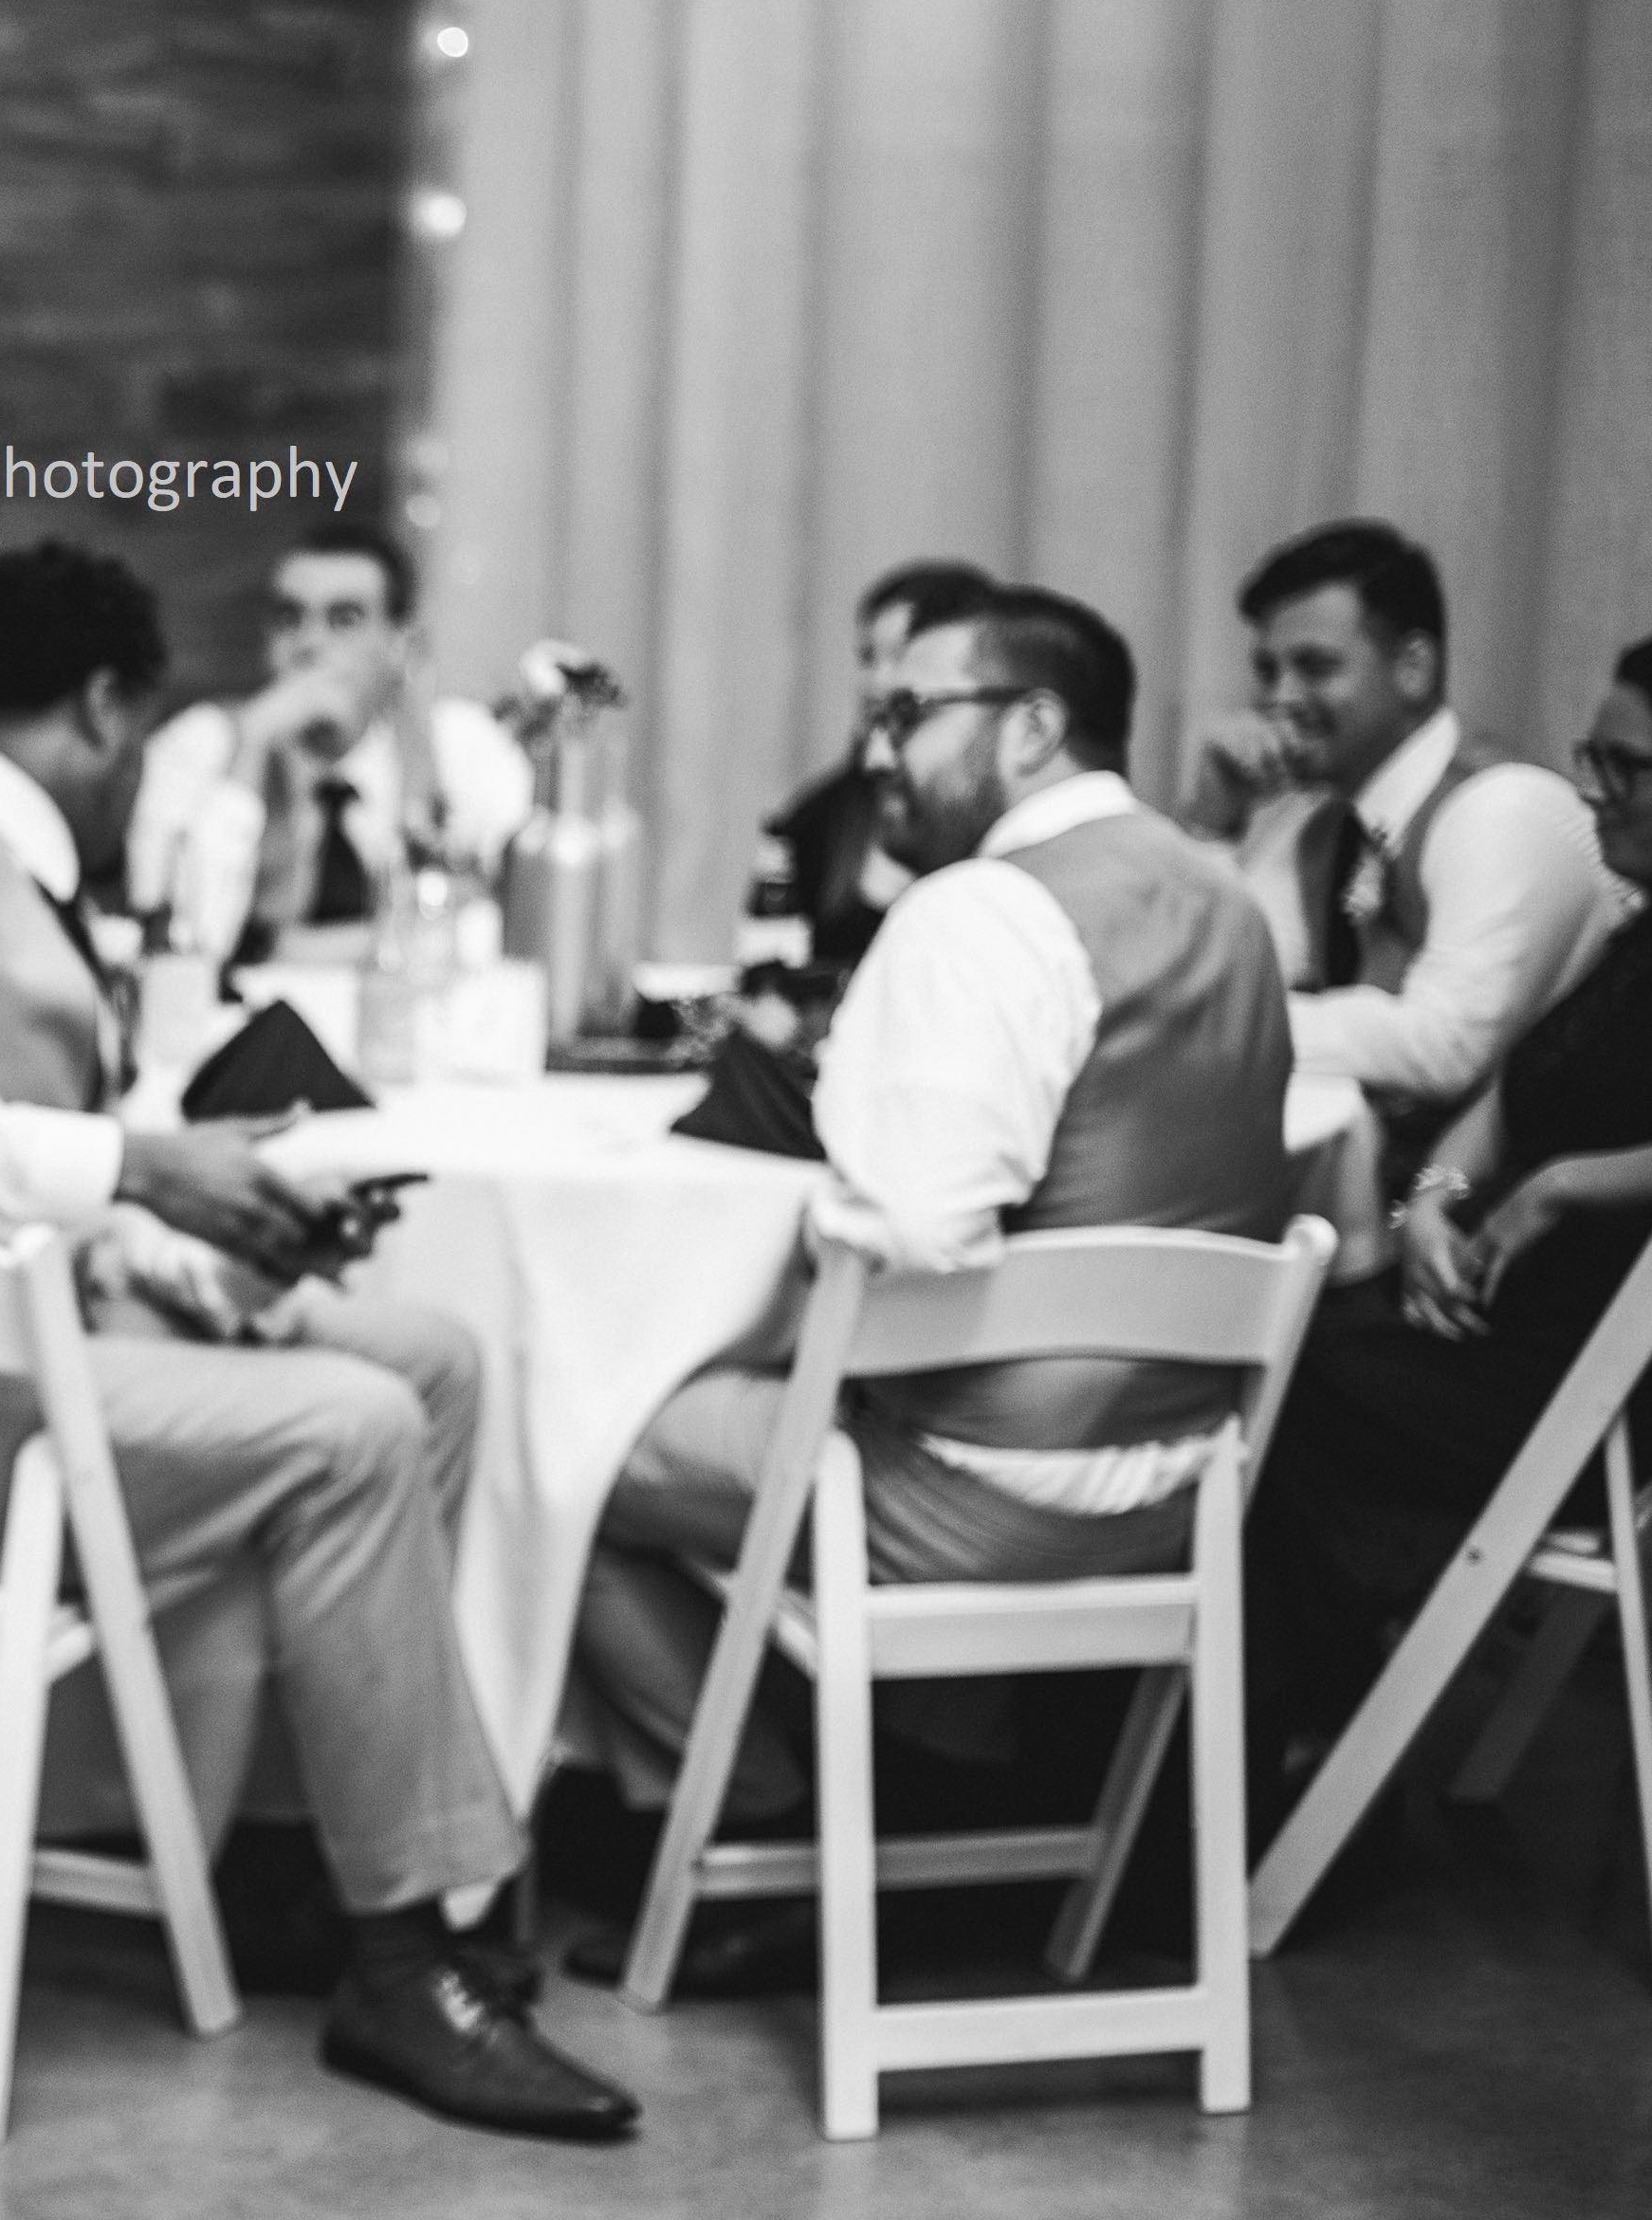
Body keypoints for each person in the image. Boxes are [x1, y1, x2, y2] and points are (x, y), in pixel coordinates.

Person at [0, 540, 640, 2141]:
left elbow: (9, 1192)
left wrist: (228, 1244)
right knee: (348, 1430)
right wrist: (141, 1164)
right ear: (101, 703)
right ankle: (406, 1949)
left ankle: (296, 1851)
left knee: (426, 1359)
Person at [568, 586, 1294, 1992]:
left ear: (1031, 726)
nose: (880, 747)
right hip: (1184, 1490)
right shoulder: (1223, 892)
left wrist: (825, 1171)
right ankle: (919, 1810)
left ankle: (757, 1825)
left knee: (576, 1440)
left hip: (980, 1496)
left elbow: (909, 1221)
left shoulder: (985, 912)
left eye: (910, 712)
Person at [1248, 639, 1652, 1764]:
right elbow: (1512, 1088)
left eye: (1628, 769)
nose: (1594, 793)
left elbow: (1554, 1148)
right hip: (1495, 1311)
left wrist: (1572, 1186)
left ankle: (1290, 1728)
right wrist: (1432, 1200)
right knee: (1294, 1342)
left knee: (1278, 1369)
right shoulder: (1632, 930)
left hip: (1580, 1374)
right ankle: (1287, 1714)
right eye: (1594, 760)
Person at [1183, 519, 1618, 1187]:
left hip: (1507, 1220)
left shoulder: (1500, 807)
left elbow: (1443, 1046)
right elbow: (1203, 967)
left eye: (1315, 667)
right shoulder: (1315, 819)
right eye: (1267, 670)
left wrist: (1232, 1018)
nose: (1278, 699)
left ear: (1413, 666)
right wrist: (1215, 821)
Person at [125, 521, 531, 960]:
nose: (310, 643)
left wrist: (279, 948)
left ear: (402, 645)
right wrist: (252, 744)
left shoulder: (460, 746)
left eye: (345, 620)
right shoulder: (202, 744)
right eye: (289, 618)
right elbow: (185, 945)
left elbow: (506, 931)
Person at [751, 559, 993, 971]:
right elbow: (770, 966)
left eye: (900, 657)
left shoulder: (995, 811)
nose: (876, 683)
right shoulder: (820, 814)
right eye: (867, 658)